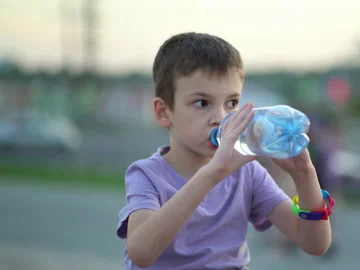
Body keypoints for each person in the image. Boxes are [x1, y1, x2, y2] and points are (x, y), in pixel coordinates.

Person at [116, 32, 333, 270]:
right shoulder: (147, 175)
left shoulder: (247, 174)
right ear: (163, 112)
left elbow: (315, 243)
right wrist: (212, 174)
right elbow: (140, 252)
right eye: (202, 103)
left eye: (231, 103)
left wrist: (305, 175)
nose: (220, 118)